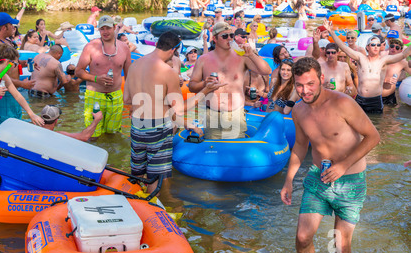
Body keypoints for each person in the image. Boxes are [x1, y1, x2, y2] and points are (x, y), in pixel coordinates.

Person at [280, 57, 380, 253]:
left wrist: (343, 165)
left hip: (350, 182)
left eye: (310, 84)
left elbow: (373, 137)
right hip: (318, 178)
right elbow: (300, 146)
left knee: (340, 248)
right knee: (302, 238)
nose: (304, 90)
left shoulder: (343, 103)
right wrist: (288, 181)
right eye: (299, 85)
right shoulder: (298, 110)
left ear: (321, 79)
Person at [124, 31, 224, 193]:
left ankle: (135, 205)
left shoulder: (135, 65)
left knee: (138, 174)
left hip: (136, 126)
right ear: (173, 50)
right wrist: (206, 90)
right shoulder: (167, 71)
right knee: (155, 178)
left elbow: (127, 99)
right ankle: (153, 209)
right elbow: (180, 108)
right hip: (158, 129)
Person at [189, 22, 271, 140]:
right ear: (215, 39)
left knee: (236, 153)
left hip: (236, 115)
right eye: (224, 36)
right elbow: (192, 86)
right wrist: (205, 83)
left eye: (231, 36)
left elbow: (266, 71)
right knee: (213, 151)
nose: (229, 39)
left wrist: (252, 54)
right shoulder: (203, 59)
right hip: (213, 114)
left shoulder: (242, 57)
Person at [324, 19, 411, 114]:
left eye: (378, 45)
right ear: (367, 47)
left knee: (377, 126)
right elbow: (344, 47)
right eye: (373, 45)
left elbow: (403, 55)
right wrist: (331, 32)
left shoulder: (384, 60)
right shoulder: (361, 58)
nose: (376, 47)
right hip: (360, 99)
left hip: (375, 101)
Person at [75, 15, 132, 138]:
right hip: (94, 96)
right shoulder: (91, 47)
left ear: (114, 27)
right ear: (99, 30)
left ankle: (112, 157)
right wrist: (96, 78)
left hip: (116, 96)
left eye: (108, 28)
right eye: (102, 29)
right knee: (93, 136)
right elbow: (78, 71)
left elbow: (129, 77)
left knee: (113, 135)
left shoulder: (124, 48)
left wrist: (131, 102)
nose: (105, 32)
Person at [0, 12, 35, 129]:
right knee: (6, 127)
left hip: (13, 92)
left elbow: (10, 64)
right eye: (11, 24)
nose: (14, 27)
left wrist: (24, 63)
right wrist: (22, 83)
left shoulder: (6, 42)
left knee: (16, 126)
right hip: (3, 95)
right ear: (4, 27)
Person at [382, 39, 410, 105]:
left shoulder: (403, 63)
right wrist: (385, 80)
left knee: (391, 114)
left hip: (390, 96)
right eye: (392, 46)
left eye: (397, 48)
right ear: (389, 47)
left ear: (401, 50)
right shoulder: (381, 60)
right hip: (376, 95)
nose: (393, 49)